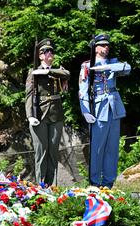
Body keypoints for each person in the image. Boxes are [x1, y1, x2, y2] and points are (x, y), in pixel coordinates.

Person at [78, 34, 131, 188]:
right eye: (102, 45)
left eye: (107, 45)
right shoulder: (87, 66)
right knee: (97, 148)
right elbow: (83, 91)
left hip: (114, 109)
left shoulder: (113, 63)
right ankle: (94, 183)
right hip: (98, 110)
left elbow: (127, 68)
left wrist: (107, 67)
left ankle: (108, 183)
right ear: (95, 48)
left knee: (112, 148)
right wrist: (85, 111)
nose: (106, 47)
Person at [25, 38, 70, 186]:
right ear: (40, 56)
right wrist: (30, 116)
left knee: (53, 152)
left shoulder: (57, 71)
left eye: (51, 51)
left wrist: (50, 71)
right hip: (40, 115)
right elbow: (29, 96)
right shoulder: (33, 72)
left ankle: (51, 185)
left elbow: (67, 74)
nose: (50, 53)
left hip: (56, 115)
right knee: (41, 152)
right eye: (46, 51)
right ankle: (40, 184)